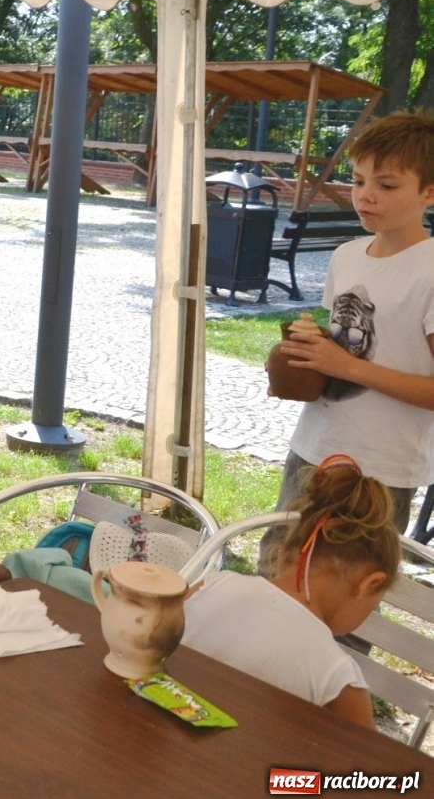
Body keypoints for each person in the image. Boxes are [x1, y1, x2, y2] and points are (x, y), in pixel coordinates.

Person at [261, 111, 434, 571]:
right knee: (277, 568)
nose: (366, 195)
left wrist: (345, 367)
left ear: (429, 193)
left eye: (387, 185)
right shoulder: (347, 255)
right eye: (357, 181)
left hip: (380, 470)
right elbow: (350, 347)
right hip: (313, 448)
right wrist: (299, 358)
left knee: (344, 595)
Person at [184, 455, 398, 728]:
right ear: (369, 583)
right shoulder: (339, 682)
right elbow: (359, 770)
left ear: (286, 551)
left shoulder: (210, 588)